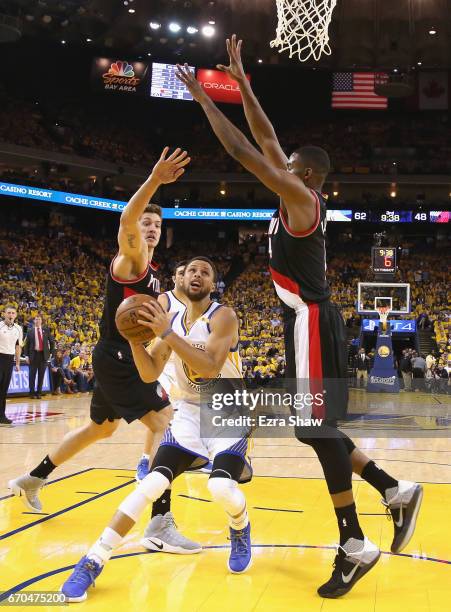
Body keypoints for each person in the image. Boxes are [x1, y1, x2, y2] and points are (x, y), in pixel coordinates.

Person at [175, 40, 423, 598]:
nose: (278, 164)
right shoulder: (299, 193)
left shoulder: (303, 199)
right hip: (304, 322)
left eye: (287, 165)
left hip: (311, 320)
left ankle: (355, 542)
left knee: (313, 428)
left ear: (303, 173)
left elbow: (244, 150)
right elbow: (264, 138)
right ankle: (394, 490)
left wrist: (204, 101)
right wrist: (241, 83)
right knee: (317, 429)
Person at [9, 147, 200, 556]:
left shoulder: (153, 276)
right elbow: (126, 219)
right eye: (146, 222)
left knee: (102, 428)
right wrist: (152, 181)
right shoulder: (129, 263)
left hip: (117, 356)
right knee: (164, 421)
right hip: (117, 356)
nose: (150, 227)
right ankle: (159, 519)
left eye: (156, 224)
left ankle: (33, 478)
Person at [61, 257, 252, 602]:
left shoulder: (223, 316)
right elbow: (149, 373)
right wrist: (134, 339)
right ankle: (93, 560)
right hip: (189, 412)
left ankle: (240, 527)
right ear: (181, 279)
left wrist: (165, 332)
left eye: (205, 272)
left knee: (222, 487)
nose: (197, 275)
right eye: (191, 270)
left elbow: (209, 367)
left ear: (213, 284)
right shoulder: (173, 319)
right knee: (151, 482)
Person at [136, 260, 188, 482]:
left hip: (185, 366)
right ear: (175, 278)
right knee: (160, 413)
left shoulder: (200, 304)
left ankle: (185, 456)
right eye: (180, 273)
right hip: (163, 364)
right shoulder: (165, 299)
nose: (185, 276)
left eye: (188, 273)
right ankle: (145, 459)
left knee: (186, 415)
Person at [0, 305, 23, 424]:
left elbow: (18, 347)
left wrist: (17, 363)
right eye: (8, 313)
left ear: (16, 315)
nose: (10, 315)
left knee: (3, 389)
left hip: (9, 360)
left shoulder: (19, 329)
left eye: (13, 313)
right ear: (4, 314)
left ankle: (2, 416)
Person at [23, 314, 55, 399]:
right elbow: (26, 345)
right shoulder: (30, 331)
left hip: (43, 356)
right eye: (36, 319)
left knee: (41, 375)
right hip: (33, 355)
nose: (37, 321)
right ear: (34, 321)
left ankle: (39, 393)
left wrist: (51, 353)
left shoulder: (46, 330)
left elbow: (52, 342)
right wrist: (26, 355)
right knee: (32, 375)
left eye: (39, 319)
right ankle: (31, 393)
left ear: (41, 321)